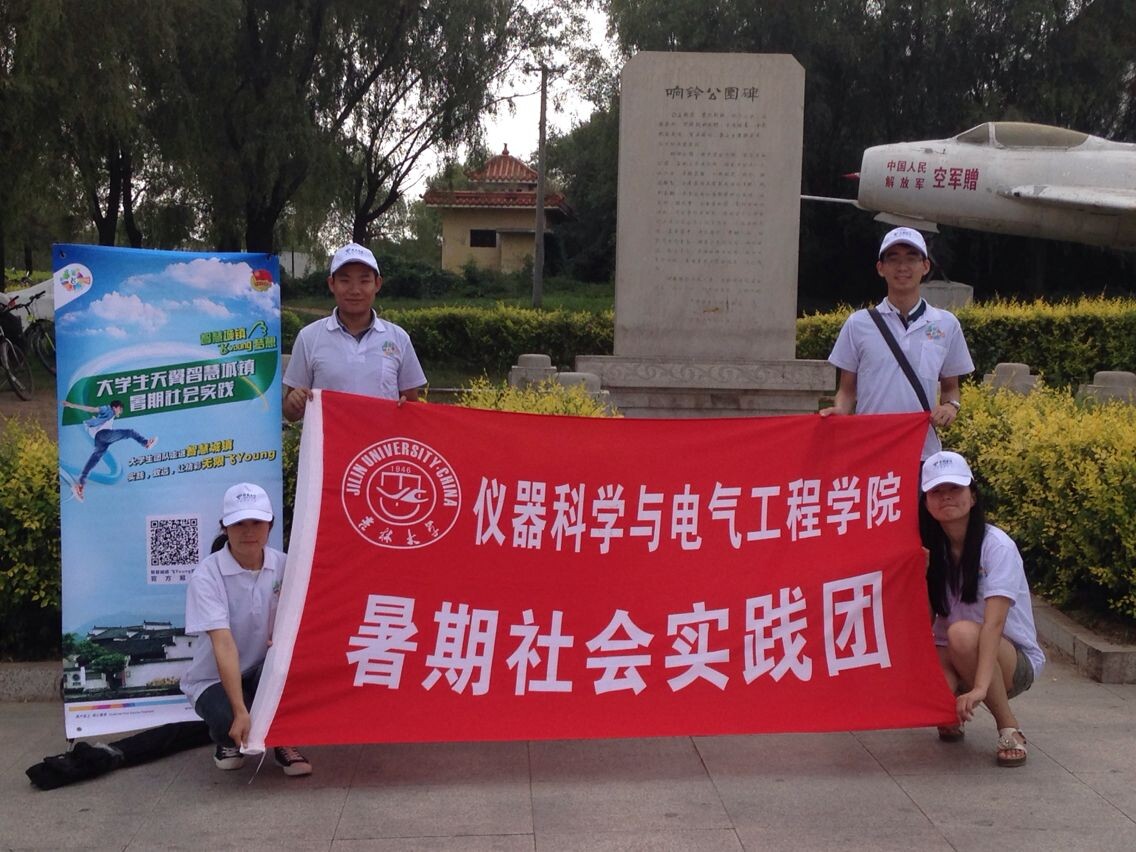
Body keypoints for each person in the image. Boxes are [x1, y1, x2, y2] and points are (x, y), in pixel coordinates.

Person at [920, 451, 1044, 767]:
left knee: (962, 633)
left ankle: (1008, 727)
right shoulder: (929, 549)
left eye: (955, 488)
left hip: (1009, 658)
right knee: (937, 704)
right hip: (949, 649)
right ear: (926, 503)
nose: (946, 496)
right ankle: (951, 711)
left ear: (973, 496)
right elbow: (923, 622)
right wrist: (919, 576)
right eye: (936, 491)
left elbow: (994, 624)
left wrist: (979, 687)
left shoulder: (997, 546)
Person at [180, 482, 312, 776]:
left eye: (257, 523)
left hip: (263, 670)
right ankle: (227, 739)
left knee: (298, 671)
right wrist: (240, 711)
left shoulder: (285, 566)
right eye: (239, 523)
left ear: (270, 526)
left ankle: (283, 740)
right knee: (228, 721)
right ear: (225, 527)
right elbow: (223, 643)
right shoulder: (207, 575)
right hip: (212, 679)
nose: (248, 531)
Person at [820, 227, 974, 460]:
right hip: (868, 451)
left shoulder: (946, 324)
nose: (902, 267)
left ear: (925, 266)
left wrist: (950, 406)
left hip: (922, 452)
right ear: (880, 268)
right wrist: (840, 410)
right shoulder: (858, 324)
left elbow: (950, 387)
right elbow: (847, 389)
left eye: (911, 258)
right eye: (893, 259)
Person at [282, 242, 426, 421]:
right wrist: (294, 402)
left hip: (382, 439)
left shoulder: (399, 338)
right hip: (329, 439)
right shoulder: (309, 338)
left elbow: (412, 404)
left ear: (377, 284)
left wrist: (407, 409)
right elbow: (290, 411)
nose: (355, 290)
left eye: (364, 281)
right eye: (345, 281)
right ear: (331, 284)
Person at [62, 399, 157, 501]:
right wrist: (71, 405)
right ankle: (146, 443)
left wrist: (95, 420)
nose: (120, 412)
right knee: (129, 432)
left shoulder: (107, 418)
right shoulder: (108, 409)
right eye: (120, 409)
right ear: (115, 407)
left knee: (94, 460)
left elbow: (96, 421)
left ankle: (80, 485)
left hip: (100, 439)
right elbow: (92, 409)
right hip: (103, 435)